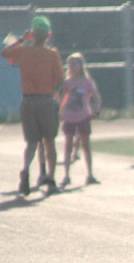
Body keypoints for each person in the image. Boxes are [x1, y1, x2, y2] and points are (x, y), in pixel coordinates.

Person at [3, 15, 63, 196]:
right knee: (50, 142)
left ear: (33, 34)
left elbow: (5, 53)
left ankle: (26, 170)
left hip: (28, 100)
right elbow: (60, 80)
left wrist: (22, 39)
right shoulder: (52, 54)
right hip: (45, 100)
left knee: (31, 143)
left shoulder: (24, 51)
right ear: (48, 35)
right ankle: (51, 179)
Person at [58, 52, 101, 188]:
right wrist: (61, 109)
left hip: (83, 116)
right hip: (69, 117)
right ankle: (66, 175)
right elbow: (60, 97)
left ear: (81, 65)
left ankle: (90, 174)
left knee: (86, 145)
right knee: (68, 145)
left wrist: (96, 108)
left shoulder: (86, 82)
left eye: (75, 63)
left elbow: (95, 96)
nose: (72, 66)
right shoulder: (67, 82)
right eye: (70, 64)